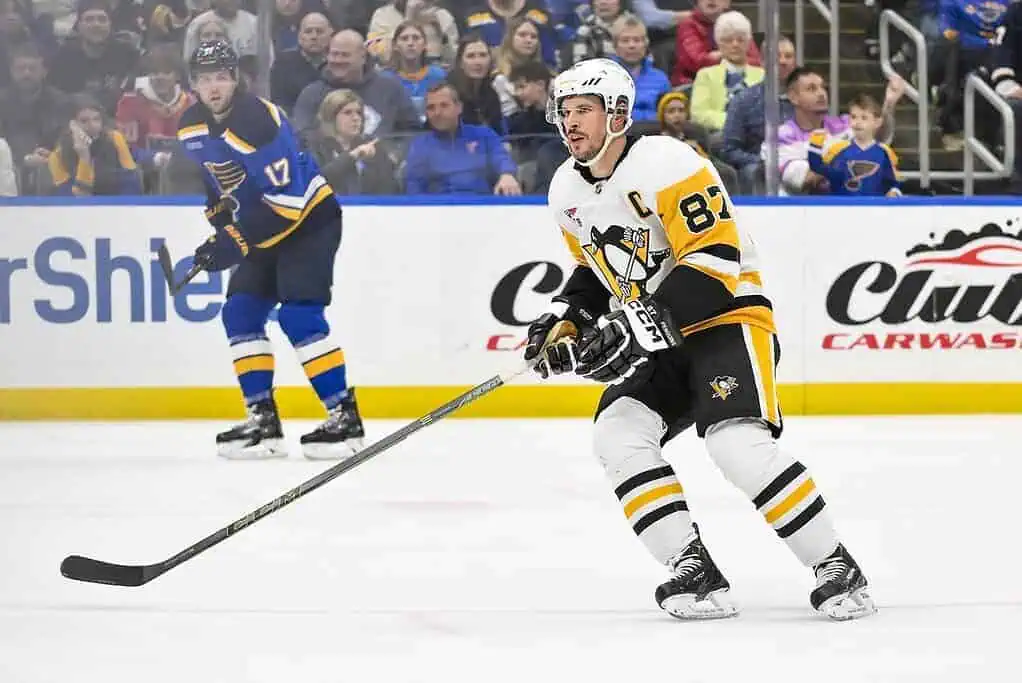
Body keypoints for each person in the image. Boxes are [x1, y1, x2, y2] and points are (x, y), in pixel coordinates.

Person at [526, 57, 876, 621]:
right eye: (564, 113)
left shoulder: (668, 161)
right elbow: (595, 270)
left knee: (734, 443)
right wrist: (567, 315)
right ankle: (694, 570)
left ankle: (836, 565)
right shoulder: (565, 188)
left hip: (725, 317)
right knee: (618, 432)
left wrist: (630, 324)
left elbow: (716, 261)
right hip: (659, 331)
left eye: (583, 111)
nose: (570, 123)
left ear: (615, 114)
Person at [176, 40, 365, 461]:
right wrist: (221, 223)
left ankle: (344, 417)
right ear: (193, 84)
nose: (214, 87)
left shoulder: (257, 121)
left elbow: (289, 205)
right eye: (205, 79)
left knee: (299, 315)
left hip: (309, 221)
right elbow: (216, 179)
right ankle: (263, 422)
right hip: (265, 222)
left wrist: (236, 240)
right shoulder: (190, 126)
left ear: (235, 78)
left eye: (221, 76)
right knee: (240, 312)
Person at [808, 94, 902, 197]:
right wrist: (815, 147)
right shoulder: (839, 150)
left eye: (864, 118)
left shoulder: (884, 153)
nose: (857, 122)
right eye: (853, 117)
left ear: (877, 122)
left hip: (874, 210)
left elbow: (890, 182)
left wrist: (894, 191)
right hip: (843, 208)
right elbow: (819, 168)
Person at [47, 93, 142, 195]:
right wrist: (84, 158)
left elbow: (131, 182)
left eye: (96, 119)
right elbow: (75, 199)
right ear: (72, 125)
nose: (93, 125)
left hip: (115, 205)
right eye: (84, 121)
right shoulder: (57, 156)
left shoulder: (114, 138)